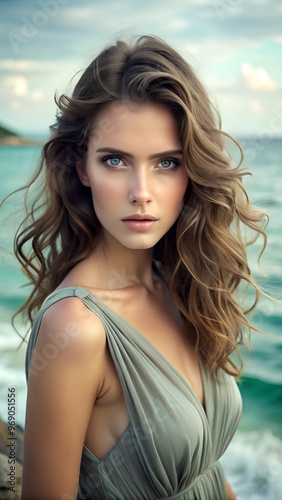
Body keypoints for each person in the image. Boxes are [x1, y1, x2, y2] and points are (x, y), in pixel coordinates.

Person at [15, 35, 267, 499]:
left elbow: (206, 473)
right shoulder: (75, 328)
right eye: (116, 160)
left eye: (167, 163)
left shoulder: (179, 285)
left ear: (192, 169)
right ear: (82, 168)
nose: (142, 191)